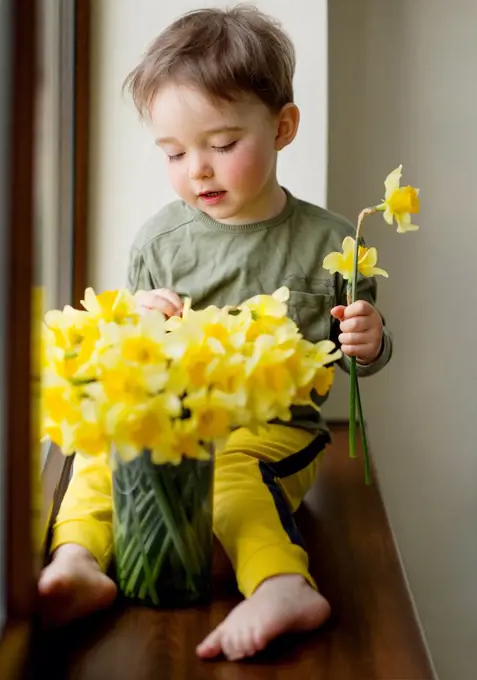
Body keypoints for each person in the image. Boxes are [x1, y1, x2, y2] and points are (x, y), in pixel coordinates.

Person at [39, 6, 392, 662]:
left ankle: (282, 583)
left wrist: (368, 341)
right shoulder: (159, 241)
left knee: (233, 476)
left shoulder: (332, 243)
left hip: (272, 432)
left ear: (282, 127)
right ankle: (78, 560)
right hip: (178, 422)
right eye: (174, 152)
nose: (196, 169)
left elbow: (358, 360)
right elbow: (134, 361)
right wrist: (142, 325)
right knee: (102, 452)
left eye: (222, 145)